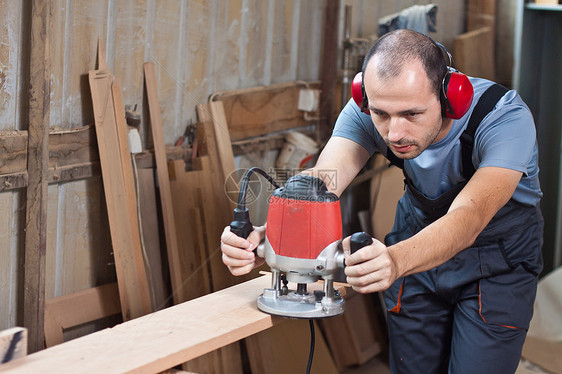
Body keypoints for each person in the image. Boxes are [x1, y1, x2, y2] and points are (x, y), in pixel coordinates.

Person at [220, 29, 543, 374]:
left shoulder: (504, 118)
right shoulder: (370, 108)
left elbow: (471, 216)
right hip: (415, 238)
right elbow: (322, 182)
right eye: (381, 115)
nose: (394, 134)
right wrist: (271, 238)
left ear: (451, 97)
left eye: (412, 115)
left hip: (495, 258)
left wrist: (394, 260)